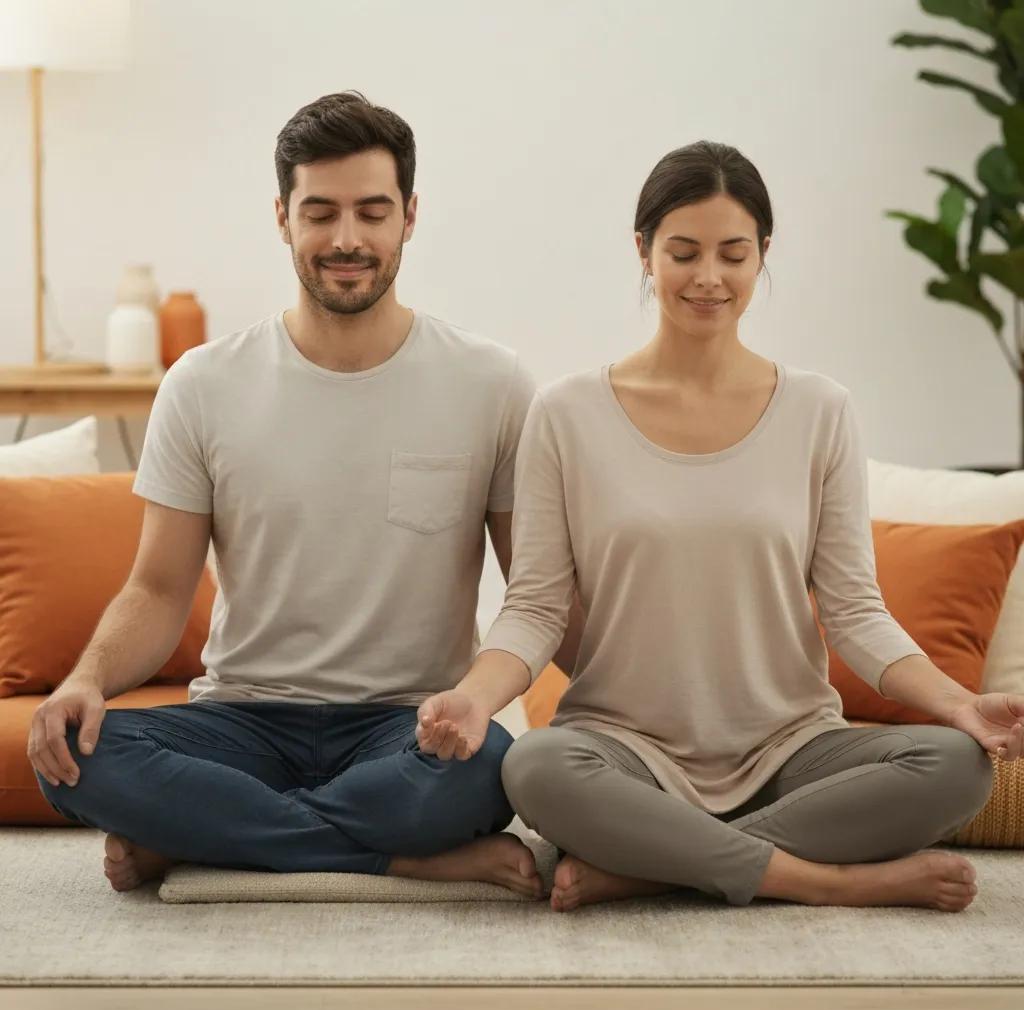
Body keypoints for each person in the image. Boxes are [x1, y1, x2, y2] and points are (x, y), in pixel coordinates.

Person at [415, 140, 1024, 913]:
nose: (709, 277)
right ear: (643, 252)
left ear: (763, 254)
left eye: (734, 254)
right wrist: (473, 695)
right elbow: (534, 606)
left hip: (791, 748)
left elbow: (855, 613)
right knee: (535, 767)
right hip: (625, 750)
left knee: (957, 767)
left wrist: (960, 706)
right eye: (684, 252)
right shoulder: (566, 415)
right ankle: (823, 880)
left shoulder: (819, 411)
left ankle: (653, 870)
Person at [28, 91, 563, 899]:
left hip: (410, 721)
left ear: (409, 217)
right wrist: (84, 682)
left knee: (490, 771)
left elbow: (532, 591)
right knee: (75, 760)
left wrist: (476, 696)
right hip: (244, 715)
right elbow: (158, 589)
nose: (346, 239)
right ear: (282, 217)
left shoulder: (491, 382)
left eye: (372, 212)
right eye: (320, 213)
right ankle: (396, 856)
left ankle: (217, 835)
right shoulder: (203, 384)